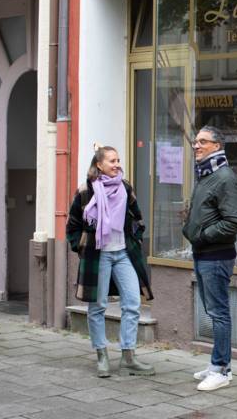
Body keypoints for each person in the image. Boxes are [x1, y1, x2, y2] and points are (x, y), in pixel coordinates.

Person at [66, 145, 155, 378]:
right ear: (99, 165)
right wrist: (82, 247)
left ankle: (128, 356)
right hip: (99, 255)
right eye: (112, 161)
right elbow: (72, 226)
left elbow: (138, 219)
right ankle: (102, 355)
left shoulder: (126, 188)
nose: (117, 165)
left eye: (118, 160)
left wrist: (134, 236)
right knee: (98, 306)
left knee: (133, 303)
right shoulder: (86, 191)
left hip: (123, 253)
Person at [183, 126, 237, 391]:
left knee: (219, 313)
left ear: (217, 146)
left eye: (203, 142)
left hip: (216, 256)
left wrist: (204, 234)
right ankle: (219, 365)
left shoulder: (224, 177)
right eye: (195, 141)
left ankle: (220, 370)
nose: (196, 146)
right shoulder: (207, 175)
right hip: (203, 254)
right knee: (213, 311)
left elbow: (235, 221)